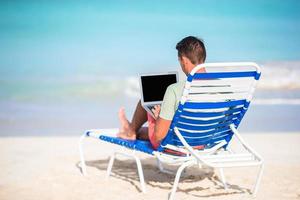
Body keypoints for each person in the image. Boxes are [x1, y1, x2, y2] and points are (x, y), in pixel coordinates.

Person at [117, 36, 206, 149]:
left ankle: (130, 130)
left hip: (175, 146)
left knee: (146, 102)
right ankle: (130, 129)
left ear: (184, 60)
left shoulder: (174, 90)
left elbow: (159, 135)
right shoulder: (223, 88)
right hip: (203, 144)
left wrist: (158, 117)